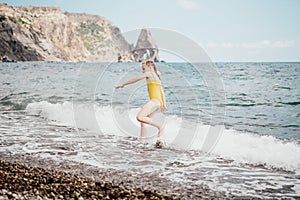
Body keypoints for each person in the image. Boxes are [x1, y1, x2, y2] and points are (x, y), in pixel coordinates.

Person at [115, 60, 167, 143]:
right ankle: (142, 141)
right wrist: (163, 104)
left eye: (143, 68)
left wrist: (123, 84)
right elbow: (162, 92)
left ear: (149, 67)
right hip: (158, 103)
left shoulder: (149, 74)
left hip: (154, 101)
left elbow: (135, 79)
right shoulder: (157, 76)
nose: (143, 71)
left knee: (140, 117)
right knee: (144, 121)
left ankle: (160, 127)